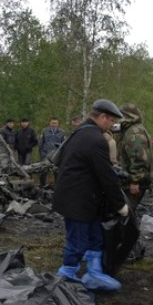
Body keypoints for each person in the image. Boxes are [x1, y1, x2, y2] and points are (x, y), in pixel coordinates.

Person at [53, 99, 128, 291]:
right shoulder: (96, 140)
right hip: (77, 199)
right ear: (102, 117)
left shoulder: (79, 133)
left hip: (85, 197)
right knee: (77, 241)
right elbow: (106, 177)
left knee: (96, 235)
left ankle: (94, 272)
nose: (112, 126)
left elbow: (61, 161)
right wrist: (120, 204)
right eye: (111, 121)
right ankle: (66, 277)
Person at [116, 103, 153, 211]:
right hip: (132, 177)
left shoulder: (135, 133)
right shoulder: (133, 129)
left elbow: (139, 157)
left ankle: (127, 227)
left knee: (126, 211)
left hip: (135, 180)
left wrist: (135, 181)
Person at [39, 117, 66, 186]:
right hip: (46, 154)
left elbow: (64, 144)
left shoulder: (62, 132)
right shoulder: (44, 131)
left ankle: (57, 187)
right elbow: (41, 143)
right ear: (49, 123)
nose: (54, 124)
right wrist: (42, 154)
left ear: (58, 124)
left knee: (57, 172)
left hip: (56, 156)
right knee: (43, 171)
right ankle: (42, 186)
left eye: (55, 123)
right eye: (52, 123)